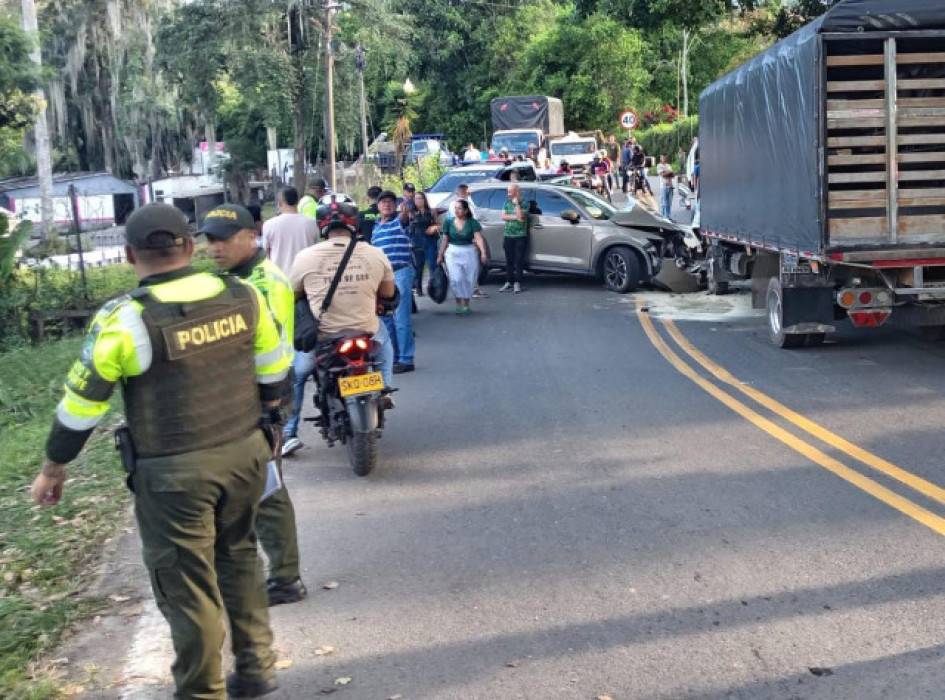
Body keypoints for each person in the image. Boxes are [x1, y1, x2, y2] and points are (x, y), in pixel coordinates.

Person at [31, 203, 288, 699]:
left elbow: (82, 406)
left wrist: (53, 466)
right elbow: (273, 371)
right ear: (189, 247)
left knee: (188, 585)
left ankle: (201, 691)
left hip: (174, 475)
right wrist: (270, 426)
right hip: (244, 455)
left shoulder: (125, 318)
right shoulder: (241, 296)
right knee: (239, 558)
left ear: (129, 255)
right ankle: (256, 668)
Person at [200, 204, 306, 607]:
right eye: (210, 239)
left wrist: (272, 414)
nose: (215, 247)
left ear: (252, 236)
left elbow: (272, 355)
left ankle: (285, 578)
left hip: (264, 393)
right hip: (237, 393)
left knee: (266, 488)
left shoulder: (265, 283)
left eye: (224, 239)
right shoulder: (232, 278)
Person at [290, 199, 397, 391]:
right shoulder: (376, 254)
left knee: (299, 375)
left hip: (324, 335)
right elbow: (388, 293)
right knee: (386, 345)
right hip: (366, 330)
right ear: (354, 223)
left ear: (321, 224)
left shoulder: (304, 257)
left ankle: (291, 421)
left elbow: (292, 296)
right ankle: (386, 387)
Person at [261, 187, 319, 457]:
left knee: (290, 355)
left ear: (280, 201)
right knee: (314, 340)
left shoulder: (271, 225)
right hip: (311, 289)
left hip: (281, 293)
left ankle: (287, 430)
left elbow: (267, 256)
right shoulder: (310, 223)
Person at [372, 190, 415, 374]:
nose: (387, 204)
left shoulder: (398, 221)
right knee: (385, 318)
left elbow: (405, 218)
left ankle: (406, 359)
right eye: (383, 202)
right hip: (382, 277)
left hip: (400, 272)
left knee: (401, 318)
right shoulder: (376, 227)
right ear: (378, 205)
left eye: (390, 202)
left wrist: (405, 210)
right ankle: (394, 356)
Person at [437, 198, 488, 314]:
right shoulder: (448, 222)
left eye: (459, 208)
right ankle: (458, 302)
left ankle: (466, 303)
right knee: (456, 279)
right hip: (453, 252)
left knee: (469, 279)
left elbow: (478, 238)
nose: (457, 211)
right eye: (455, 208)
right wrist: (440, 255)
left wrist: (483, 252)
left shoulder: (472, 222)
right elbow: (444, 239)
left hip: (469, 251)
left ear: (465, 210)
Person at [408, 191, 439, 296]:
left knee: (432, 264)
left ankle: (434, 287)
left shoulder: (431, 211)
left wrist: (434, 227)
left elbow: (438, 224)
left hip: (429, 239)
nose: (418, 201)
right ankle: (418, 288)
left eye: (420, 198)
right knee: (418, 266)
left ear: (424, 199)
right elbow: (408, 227)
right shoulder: (411, 212)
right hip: (417, 240)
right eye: (416, 199)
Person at [499, 184, 527, 294]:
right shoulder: (506, 203)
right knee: (509, 260)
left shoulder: (524, 203)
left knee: (518, 261)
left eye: (510, 192)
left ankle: (517, 282)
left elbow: (522, 216)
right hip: (508, 234)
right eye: (508, 191)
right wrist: (515, 217)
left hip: (520, 235)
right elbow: (503, 217)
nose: (508, 194)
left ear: (517, 192)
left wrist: (516, 204)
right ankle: (508, 281)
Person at [657, 154, 676, 220]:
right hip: (664, 186)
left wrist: (668, 172)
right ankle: (662, 217)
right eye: (663, 158)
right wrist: (669, 172)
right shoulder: (659, 166)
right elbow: (662, 175)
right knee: (664, 202)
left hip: (670, 186)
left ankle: (668, 216)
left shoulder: (668, 165)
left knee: (669, 203)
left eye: (665, 158)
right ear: (660, 159)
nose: (664, 159)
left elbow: (673, 175)